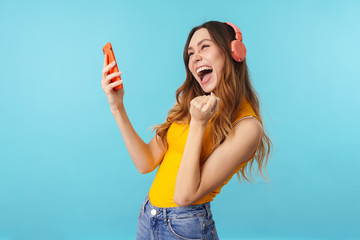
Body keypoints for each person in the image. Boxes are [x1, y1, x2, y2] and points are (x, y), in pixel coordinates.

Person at [101, 20, 272, 240]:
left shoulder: (247, 126)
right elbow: (146, 161)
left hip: (184, 228)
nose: (195, 57)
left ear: (233, 52)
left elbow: (184, 195)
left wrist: (199, 124)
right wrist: (117, 107)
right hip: (148, 216)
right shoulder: (191, 103)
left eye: (204, 47)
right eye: (190, 53)